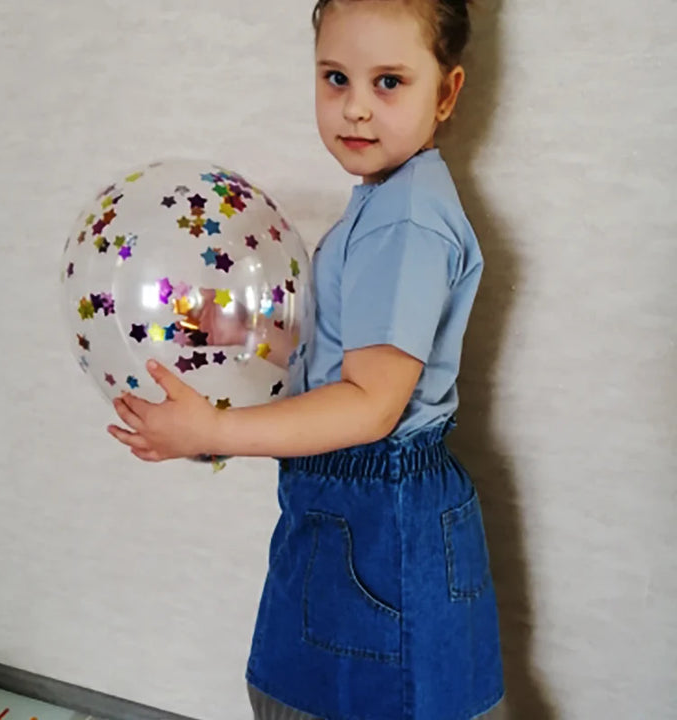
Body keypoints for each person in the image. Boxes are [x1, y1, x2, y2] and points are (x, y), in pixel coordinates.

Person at [107, 0, 505, 717]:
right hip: (367, 511)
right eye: (334, 77)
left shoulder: (406, 224)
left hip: (380, 518)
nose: (355, 109)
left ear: (446, 93)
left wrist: (215, 433)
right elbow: (340, 333)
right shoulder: (387, 205)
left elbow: (372, 404)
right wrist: (226, 321)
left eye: (389, 82)